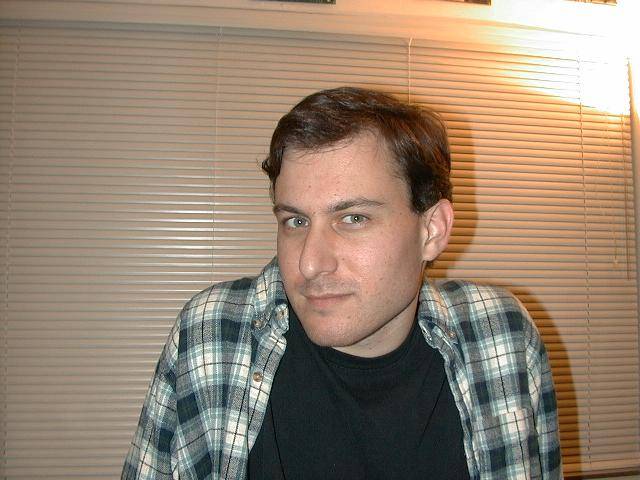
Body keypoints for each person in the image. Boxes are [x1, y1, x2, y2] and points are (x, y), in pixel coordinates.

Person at [122, 87, 562, 479]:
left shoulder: (501, 333)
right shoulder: (211, 335)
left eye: (353, 218)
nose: (309, 263)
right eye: (295, 221)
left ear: (432, 230)